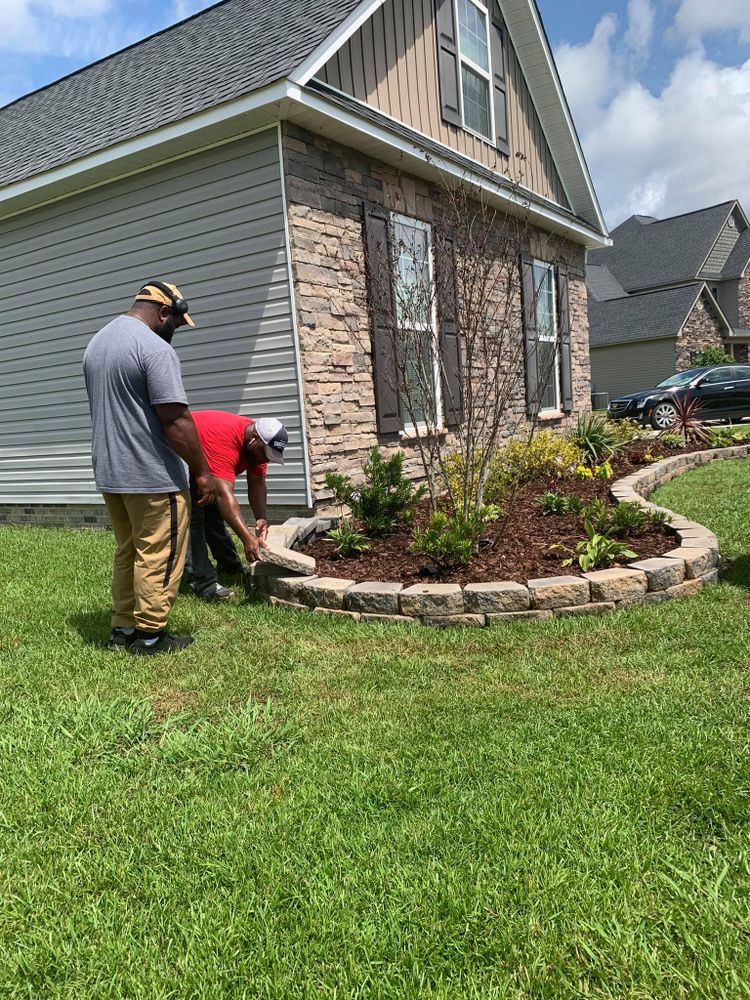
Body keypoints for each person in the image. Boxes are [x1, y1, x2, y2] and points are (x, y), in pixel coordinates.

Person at [83, 280, 217, 655]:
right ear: (163, 312)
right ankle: (151, 637)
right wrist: (202, 472)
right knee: (159, 552)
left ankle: (122, 631)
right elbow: (175, 419)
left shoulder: (97, 344)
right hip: (152, 475)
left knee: (129, 550)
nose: (175, 331)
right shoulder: (153, 348)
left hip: (111, 472)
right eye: (175, 323)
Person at [186, 411, 288, 600]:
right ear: (254, 438)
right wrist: (247, 539)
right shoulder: (225, 439)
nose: (266, 459)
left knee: (213, 512)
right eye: (265, 454)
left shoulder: (257, 449)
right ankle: (203, 582)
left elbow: (257, 483)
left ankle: (230, 566)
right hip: (174, 458)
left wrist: (261, 517)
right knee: (194, 518)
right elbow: (224, 495)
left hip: (201, 467)